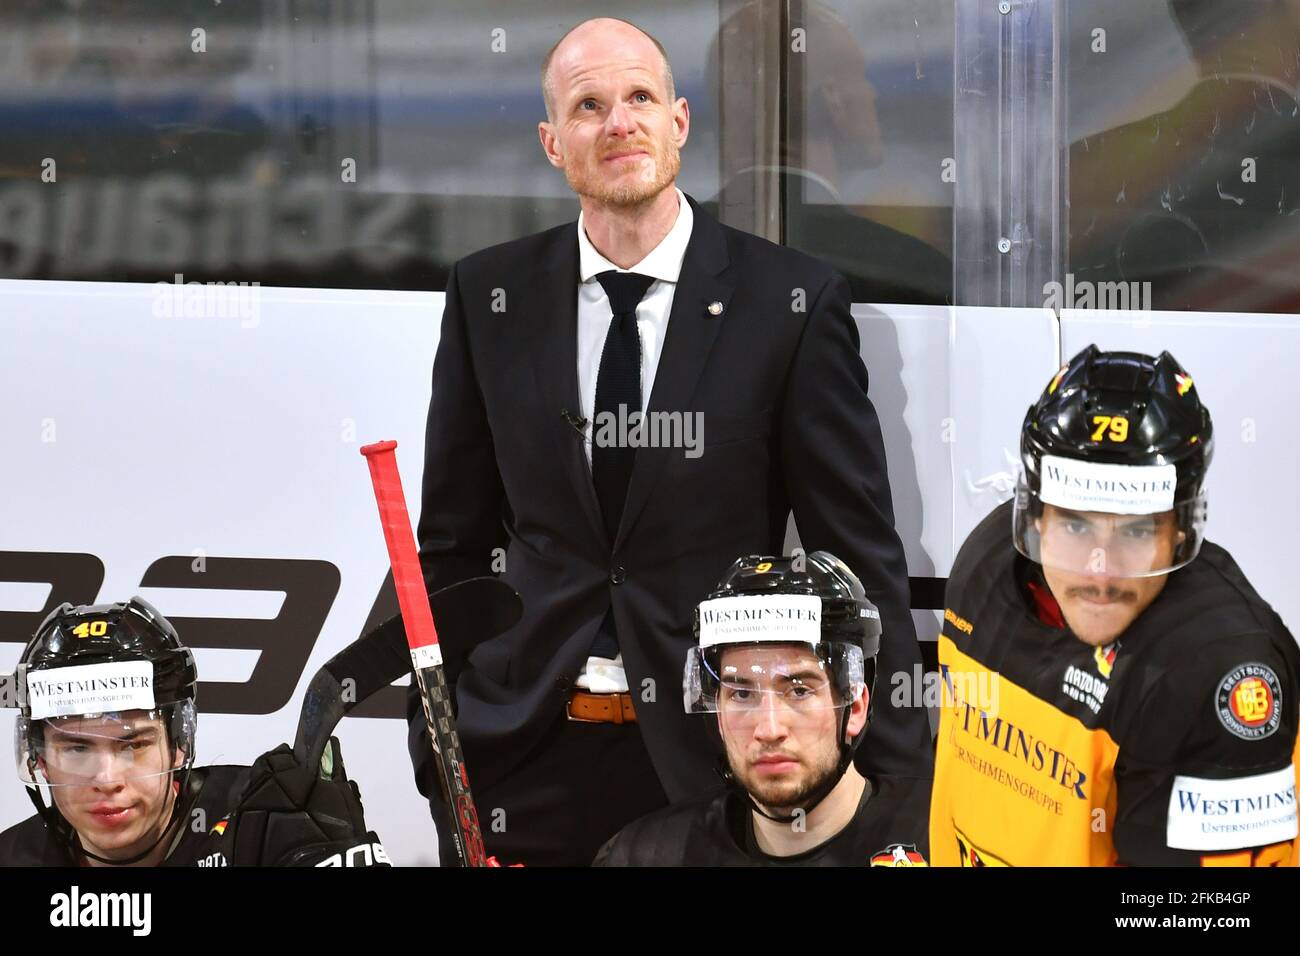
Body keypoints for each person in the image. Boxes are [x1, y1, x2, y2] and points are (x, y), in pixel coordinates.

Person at [408, 15, 931, 866]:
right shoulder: (488, 295)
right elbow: (452, 549)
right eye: (588, 106)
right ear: (553, 143)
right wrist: (441, 752)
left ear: (678, 123)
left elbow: (858, 556)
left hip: (706, 764)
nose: (619, 123)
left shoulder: (787, 304)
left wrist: (901, 796)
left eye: (640, 97)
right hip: (521, 757)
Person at [930, 345, 1300, 866]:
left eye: (1136, 528)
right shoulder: (986, 561)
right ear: (1035, 516)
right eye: (1076, 524)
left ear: (1180, 530)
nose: (1099, 571)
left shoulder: (1224, 669)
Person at [594, 551, 929, 866]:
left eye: (799, 690)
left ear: (855, 707)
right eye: (741, 694)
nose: (769, 730)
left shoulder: (941, 838)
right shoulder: (645, 856)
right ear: (720, 718)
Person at [0, 597, 387, 867]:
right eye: (77, 749)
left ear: (179, 746)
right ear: (40, 760)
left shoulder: (264, 824)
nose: (106, 779)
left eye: (132, 745)